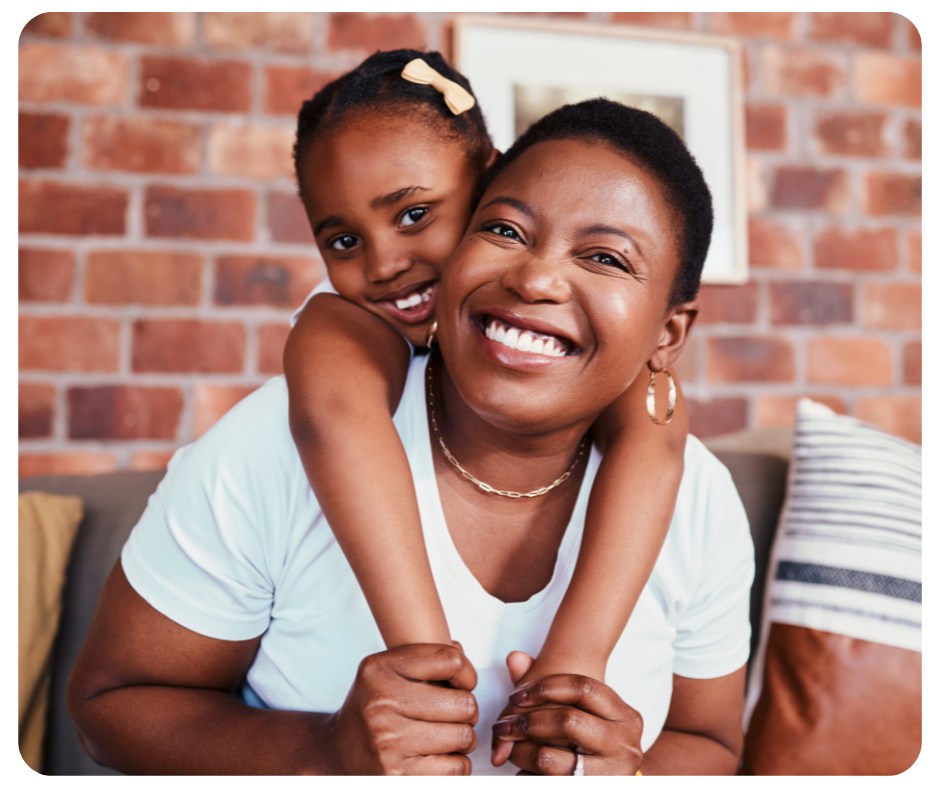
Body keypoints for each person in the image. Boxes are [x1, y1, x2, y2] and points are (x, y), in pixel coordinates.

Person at [67, 98, 754, 776]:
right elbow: (110, 706)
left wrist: (626, 772)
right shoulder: (279, 440)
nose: (536, 277)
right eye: (507, 231)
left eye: (604, 257)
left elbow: (709, 743)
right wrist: (322, 753)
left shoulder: (697, 498)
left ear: (669, 334)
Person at [282, 50, 688, 705]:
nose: (384, 264)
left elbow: (656, 426)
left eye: (415, 214)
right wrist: (424, 664)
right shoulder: (342, 330)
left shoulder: (593, 367)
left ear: (492, 182)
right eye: (343, 242)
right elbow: (333, 417)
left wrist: (573, 664)